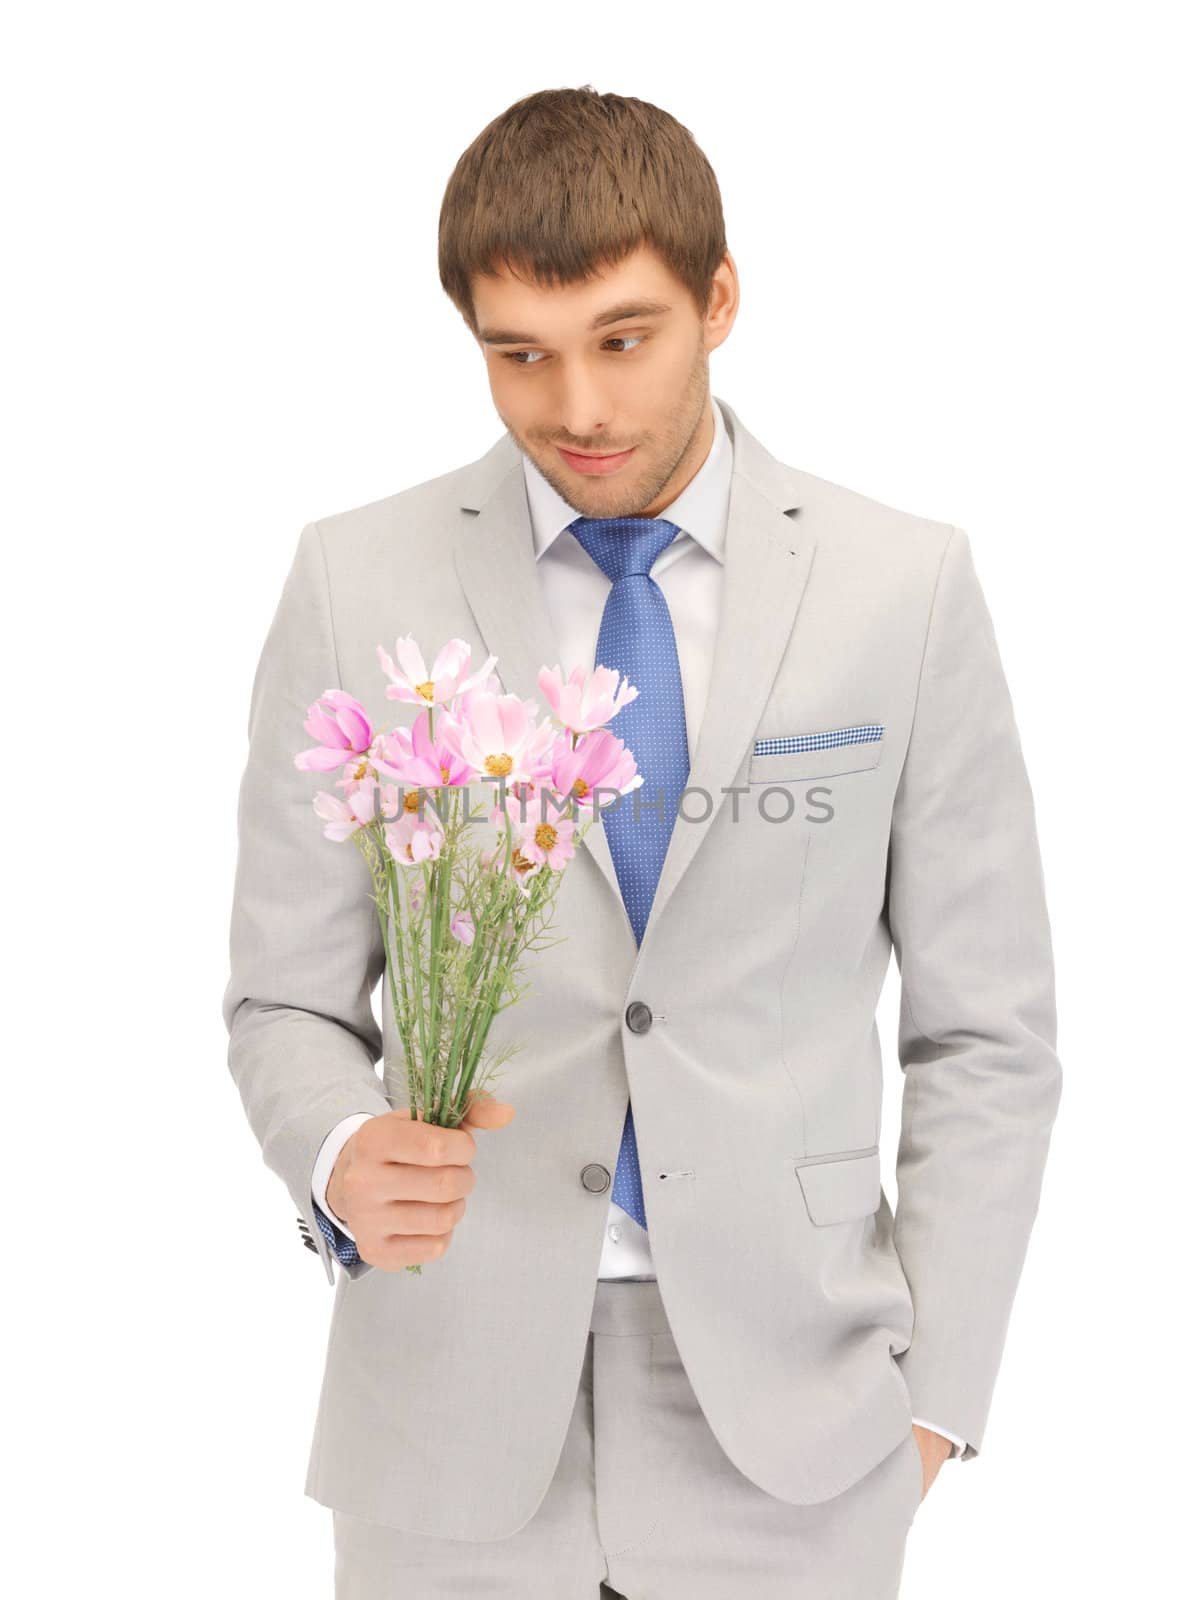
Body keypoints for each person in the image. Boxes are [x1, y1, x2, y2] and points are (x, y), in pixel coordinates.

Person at [223, 84, 1062, 1599]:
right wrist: (341, 1152)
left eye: (624, 338)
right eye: (519, 356)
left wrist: (935, 1393)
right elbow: (284, 994)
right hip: (446, 1403)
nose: (579, 409)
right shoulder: (357, 579)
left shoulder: (903, 585)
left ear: (718, 298)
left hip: (801, 1408)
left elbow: (987, 1030)